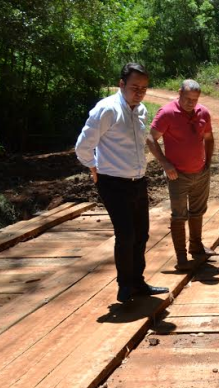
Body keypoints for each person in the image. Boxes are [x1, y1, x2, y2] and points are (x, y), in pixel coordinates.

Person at [75, 62, 169, 303]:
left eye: (144, 88)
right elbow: (83, 146)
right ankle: (124, 285)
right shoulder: (106, 110)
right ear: (121, 84)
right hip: (113, 183)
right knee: (126, 235)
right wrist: (93, 167)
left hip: (138, 181)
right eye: (134, 87)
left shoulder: (140, 110)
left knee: (141, 234)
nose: (139, 92)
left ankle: (138, 281)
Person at [146, 79, 215, 271]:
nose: (190, 103)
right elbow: (151, 138)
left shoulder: (203, 112)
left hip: (200, 172)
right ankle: (181, 257)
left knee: (198, 211)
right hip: (177, 174)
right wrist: (165, 163)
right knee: (179, 215)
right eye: (187, 98)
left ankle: (196, 246)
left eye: (194, 99)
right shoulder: (167, 113)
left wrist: (208, 163)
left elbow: (209, 138)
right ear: (179, 93)